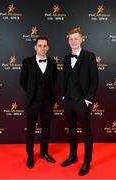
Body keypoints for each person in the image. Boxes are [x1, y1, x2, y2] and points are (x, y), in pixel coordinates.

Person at [61, 27, 98, 176]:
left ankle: (87, 162)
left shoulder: (89, 56)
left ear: (81, 39)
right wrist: (64, 96)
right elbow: (66, 79)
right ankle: (73, 156)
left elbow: (94, 81)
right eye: (71, 39)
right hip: (68, 101)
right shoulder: (65, 58)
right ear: (68, 41)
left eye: (76, 38)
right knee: (71, 131)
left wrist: (88, 100)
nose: (73, 41)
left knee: (86, 133)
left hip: (82, 102)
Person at [20, 36, 57, 168]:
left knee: (46, 130)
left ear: (48, 48)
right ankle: (30, 155)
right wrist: (31, 94)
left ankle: (44, 153)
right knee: (30, 131)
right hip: (32, 103)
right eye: (39, 45)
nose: (42, 48)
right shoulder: (27, 62)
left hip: (47, 103)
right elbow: (22, 81)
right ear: (35, 47)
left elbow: (54, 80)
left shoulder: (53, 63)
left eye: (44, 46)